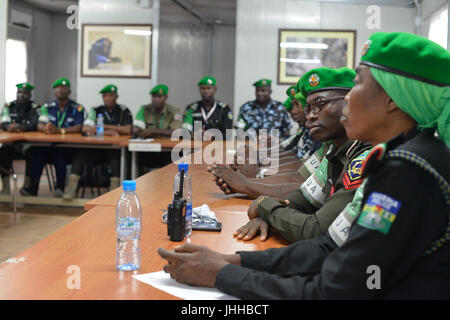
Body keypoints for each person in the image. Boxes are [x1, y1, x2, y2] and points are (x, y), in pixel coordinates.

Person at [158, 32, 450, 299]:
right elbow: (331, 247)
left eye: (359, 83)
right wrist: (234, 260)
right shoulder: (405, 155)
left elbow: (335, 292)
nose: (349, 95)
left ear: (391, 99)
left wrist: (223, 276)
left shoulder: (409, 170)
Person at [209, 91, 323, 198]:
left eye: (297, 105)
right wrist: (244, 182)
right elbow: (299, 167)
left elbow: (302, 177)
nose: (293, 112)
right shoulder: (310, 134)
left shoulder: (322, 139)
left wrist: (255, 176)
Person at [63, 84, 133, 199]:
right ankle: (70, 191)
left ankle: (113, 195)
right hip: (96, 150)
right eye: (105, 96)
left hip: (113, 150)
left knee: (116, 156)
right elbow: (86, 128)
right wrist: (108, 132)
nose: (108, 98)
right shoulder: (96, 110)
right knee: (79, 153)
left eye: (110, 96)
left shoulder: (123, 111)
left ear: (116, 97)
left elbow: (128, 129)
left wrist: (102, 127)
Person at [21, 78, 85, 197]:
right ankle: (32, 190)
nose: (61, 90)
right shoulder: (47, 107)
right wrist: (46, 129)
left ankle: (60, 188)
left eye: (64, 88)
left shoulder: (77, 108)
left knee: (59, 155)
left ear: (69, 91)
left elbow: (78, 127)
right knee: (36, 153)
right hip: (48, 145)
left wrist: (59, 131)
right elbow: (40, 123)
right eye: (58, 88)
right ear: (54, 91)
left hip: (68, 147)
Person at [133, 84, 183, 174]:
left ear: (166, 97)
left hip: (168, 151)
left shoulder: (174, 111)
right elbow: (136, 130)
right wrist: (164, 133)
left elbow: (177, 132)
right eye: (154, 97)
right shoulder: (144, 109)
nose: (156, 99)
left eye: (159, 97)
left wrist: (151, 131)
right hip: (147, 150)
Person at [0, 82, 39, 195]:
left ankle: (27, 187)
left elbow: (36, 124)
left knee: (34, 153)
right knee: (2, 153)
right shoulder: (9, 106)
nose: (22, 95)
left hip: (28, 144)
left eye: (26, 93)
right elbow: (3, 122)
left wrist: (21, 127)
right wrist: (8, 127)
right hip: (11, 145)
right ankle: (6, 188)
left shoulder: (34, 108)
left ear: (30, 95)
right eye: (20, 92)